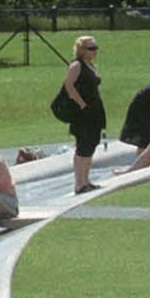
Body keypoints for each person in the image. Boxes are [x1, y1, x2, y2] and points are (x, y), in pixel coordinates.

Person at [61, 35, 106, 195]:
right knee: (83, 145)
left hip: (94, 110)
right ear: (81, 50)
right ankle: (79, 183)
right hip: (83, 112)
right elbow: (68, 86)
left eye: (95, 48)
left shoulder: (91, 65)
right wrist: (82, 104)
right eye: (90, 48)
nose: (94, 51)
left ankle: (86, 180)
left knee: (91, 144)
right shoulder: (77, 65)